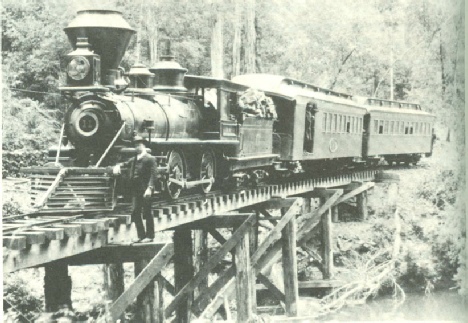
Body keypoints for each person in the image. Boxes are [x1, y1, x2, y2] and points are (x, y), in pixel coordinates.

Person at [113, 136, 158, 243]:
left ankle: (150, 236)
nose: (137, 147)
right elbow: (125, 164)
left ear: (144, 146)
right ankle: (141, 235)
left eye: (139, 145)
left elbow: (154, 174)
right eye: (135, 146)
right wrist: (118, 166)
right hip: (136, 190)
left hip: (145, 190)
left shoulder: (150, 159)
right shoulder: (134, 159)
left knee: (147, 213)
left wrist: (150, 188)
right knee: (135, 212)